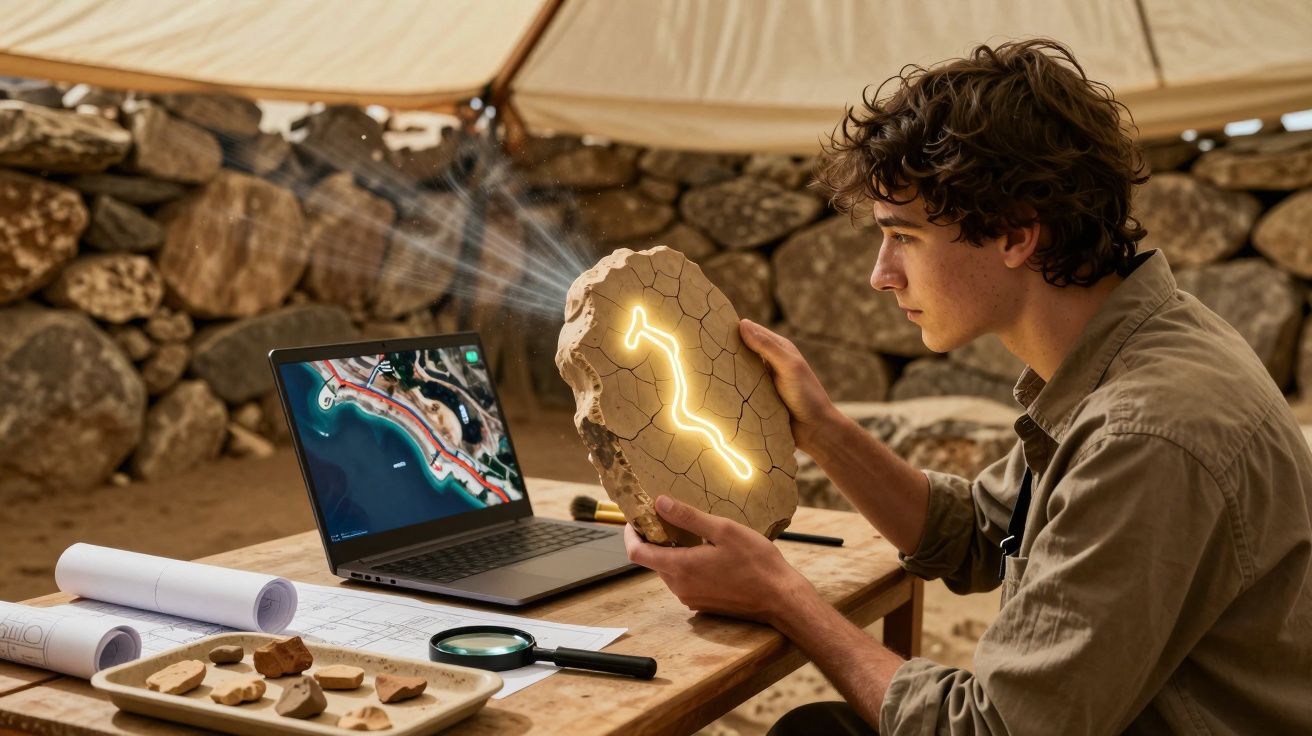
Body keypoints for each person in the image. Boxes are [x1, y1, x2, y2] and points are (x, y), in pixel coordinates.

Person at [623, 39, 1312, 734]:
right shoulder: (1124, 352)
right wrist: (822, 431)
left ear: (1015, 235)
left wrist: (783, 598)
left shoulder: (1148, 433)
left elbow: (991, 730)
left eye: (905, 237)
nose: (880, 274)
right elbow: (979, 534)